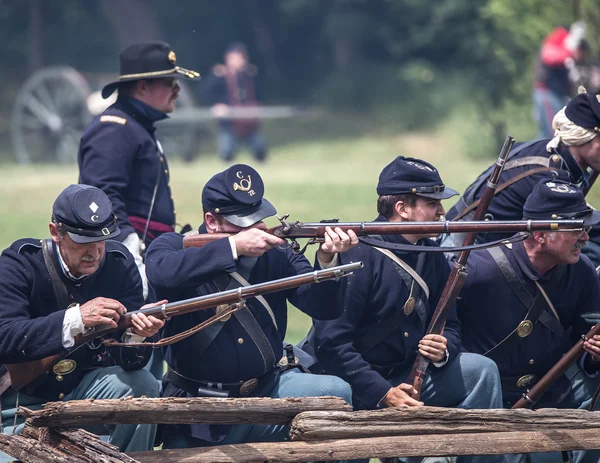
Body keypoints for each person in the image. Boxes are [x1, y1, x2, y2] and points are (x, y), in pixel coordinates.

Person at [144, 164, 357, 449]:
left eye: (257, 218)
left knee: (336, 392)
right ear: (212, 220)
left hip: (268, 389)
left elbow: (322, 308)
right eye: (243, 222)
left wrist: (328, 259)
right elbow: (162, 272)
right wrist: (232, 247)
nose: (255, 229)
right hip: (200, 406)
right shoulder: (174, 245)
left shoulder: (277, 251)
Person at [309, 157, 505, 463]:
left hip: (410, 377)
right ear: (402, 208)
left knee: (481, 371)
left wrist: (444, 350)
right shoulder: (359, 255)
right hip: (356, 384)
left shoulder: (431, 254)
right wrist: (383, 393)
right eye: (432, 202)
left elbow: (449, 324)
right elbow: (331, 345)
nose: (442, 211)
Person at [0, 184, 164, 461]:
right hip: (21, 399)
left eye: (101, 241)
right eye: (82, 242)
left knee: (144, 387)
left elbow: (130, 363)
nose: (95, 252)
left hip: (87, 388)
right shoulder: (19, 262)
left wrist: (138, 336)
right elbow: (6, 338)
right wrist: (75, 319)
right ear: (55, 232)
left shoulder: (120, 265)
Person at [456, 179, 600, 463]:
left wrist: (595, 354)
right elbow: (444, 336)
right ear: (541, 235)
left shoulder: (581, 270)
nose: (586, 237)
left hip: (552, 392)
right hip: (487, 405)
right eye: (576, 228)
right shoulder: (477, 270)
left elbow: (585, 339)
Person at [78, 40, 201, 301]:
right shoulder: (115, 128)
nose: (177, 89)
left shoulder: (135, 127)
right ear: (143, 86)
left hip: (150, 248)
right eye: (169, 83)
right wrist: (128, 248)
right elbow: (102, 197)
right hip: (127, 257)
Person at [444, 88, 600, 264]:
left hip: (479, 245)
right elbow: (567, 233)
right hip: (468, 254)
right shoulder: (552, 176)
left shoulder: (546, 150)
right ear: (582, 137)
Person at [202, 42, 268, 162]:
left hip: (248, 120)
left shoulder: (250, 75)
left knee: (259, 149)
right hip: (229, 121)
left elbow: (260, 93)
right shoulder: (220, 76)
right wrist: (216, 106)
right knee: (227, 151)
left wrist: (256, 106)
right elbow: (205, 92)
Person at [533, 22, 588, 138]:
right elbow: (549, 56)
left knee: (557, 129)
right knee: (552, 131)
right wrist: (570, 50)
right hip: (548, 93)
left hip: (558, 94)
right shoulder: (557, 43)